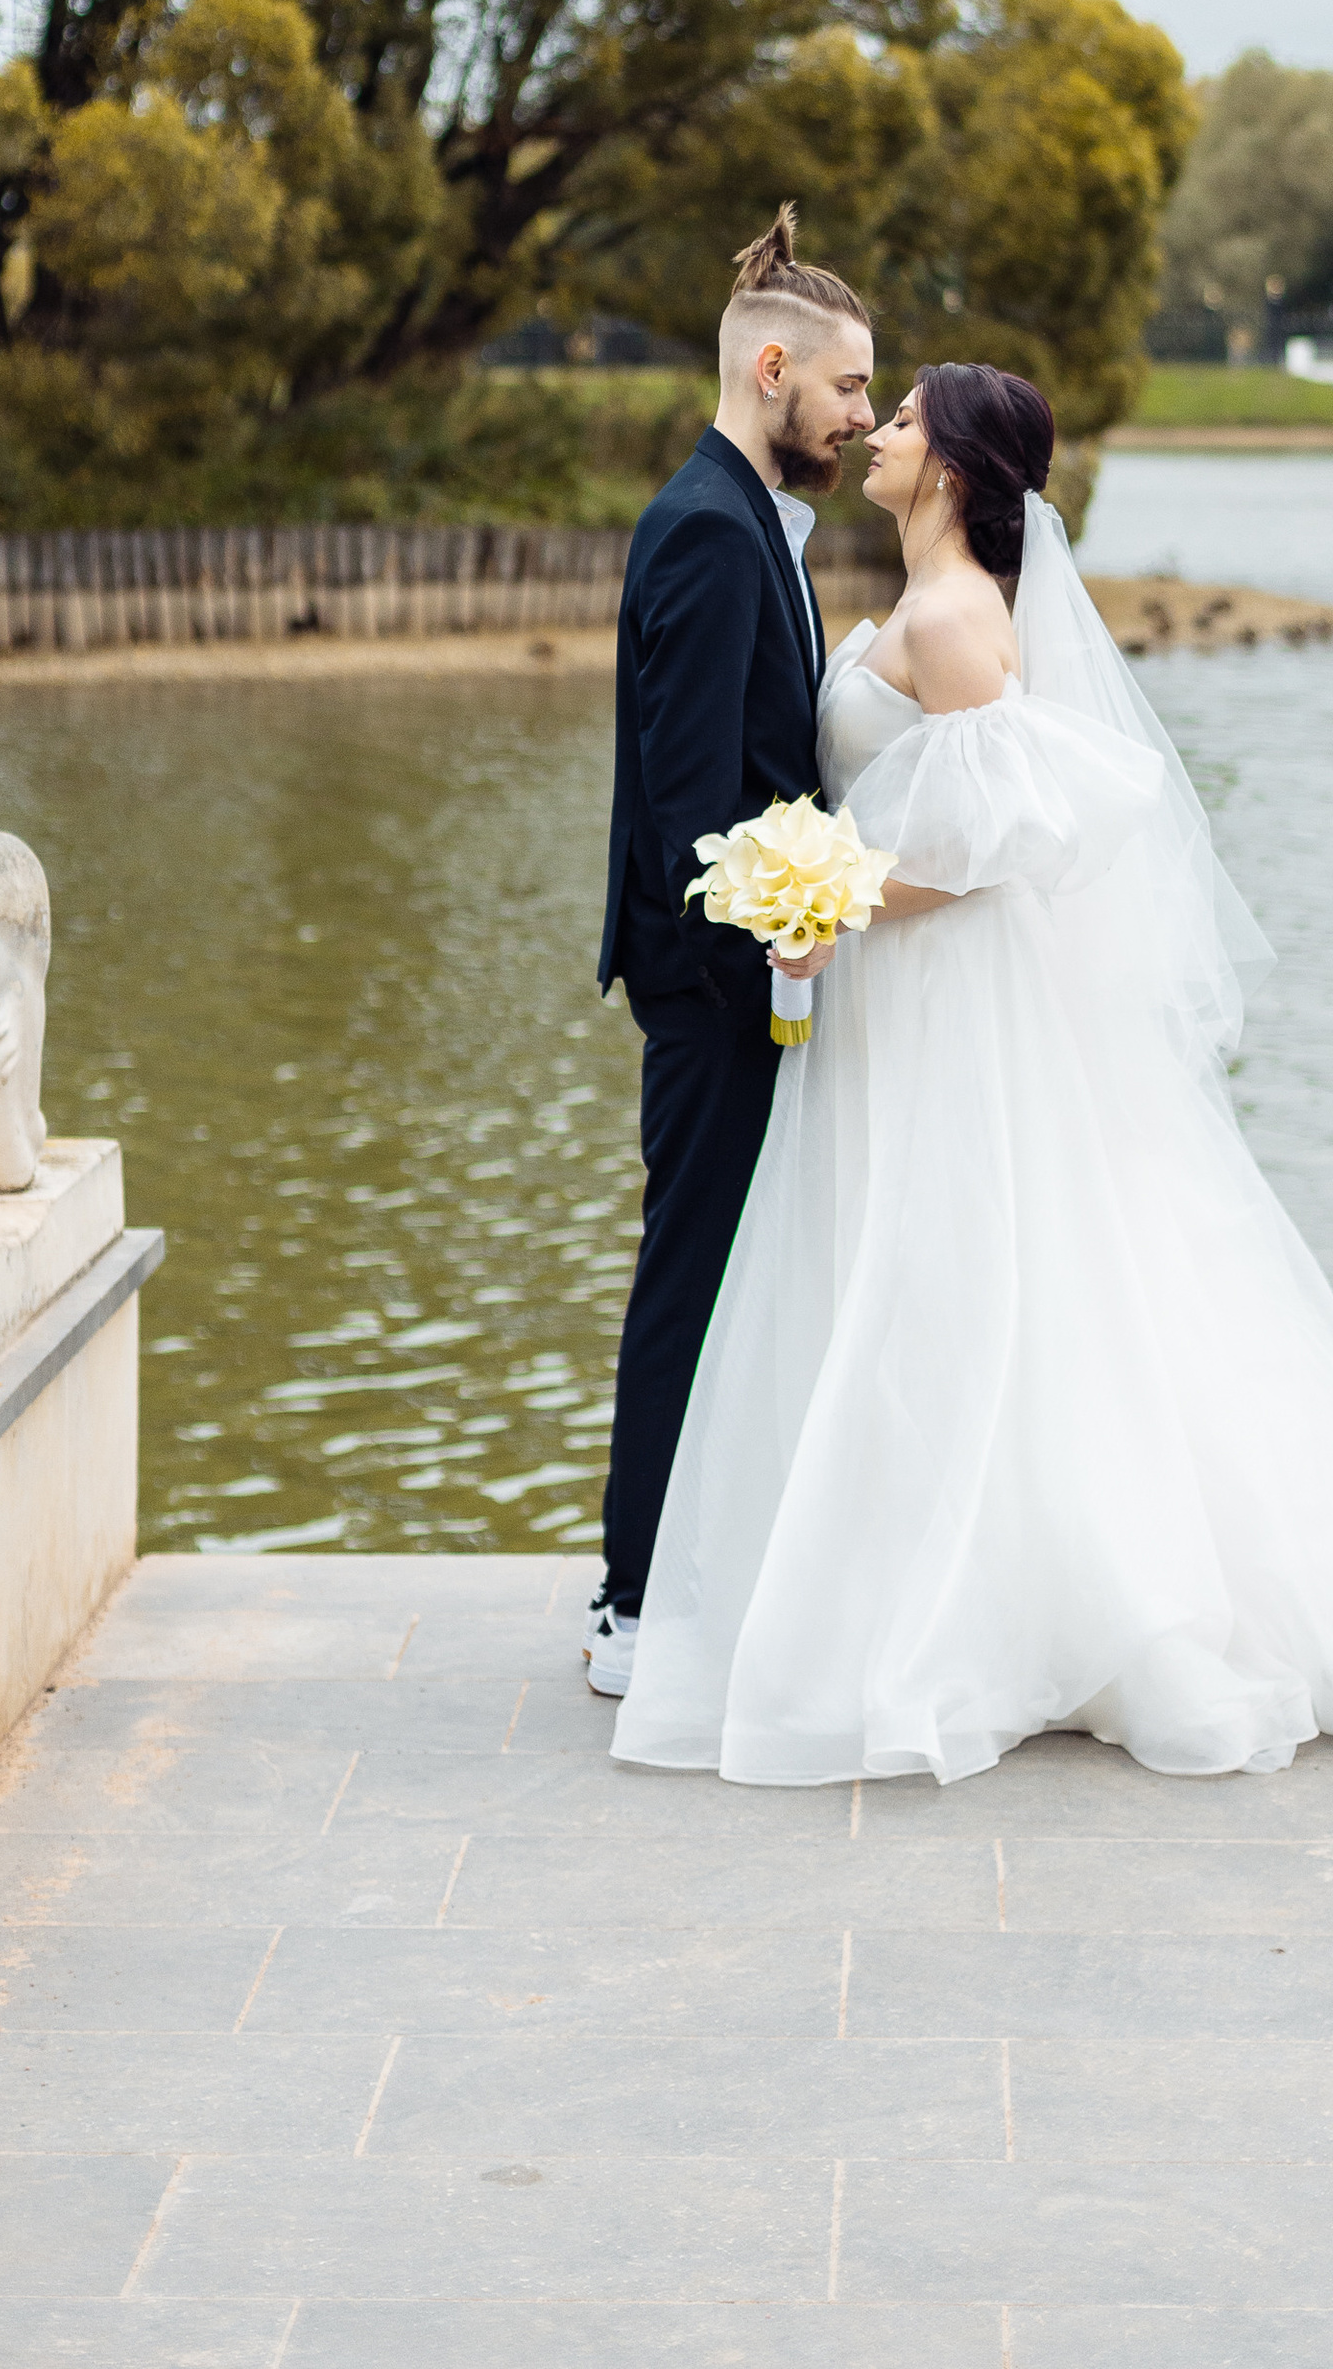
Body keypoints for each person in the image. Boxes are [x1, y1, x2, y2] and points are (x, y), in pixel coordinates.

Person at [613, 361, 1333, 1781]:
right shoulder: (939, 605)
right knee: (928, 1291)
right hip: (897, 1006)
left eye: (899, 421)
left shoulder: (952, 621)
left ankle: (1020, 1608)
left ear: (945, 466)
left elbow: (981, 853)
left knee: (962, 1283)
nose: (875, 435)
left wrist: (815, 894)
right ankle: (943, 1579)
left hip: (942, 1003)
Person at [586, 212, 877, 1692]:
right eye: (846, 391)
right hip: (709, 990)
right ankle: (632, 1607)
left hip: (743, 977)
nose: (862, 418)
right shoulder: (706, 526)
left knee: (725, 1276)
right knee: (690, 1281)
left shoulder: (747, 513)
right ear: (773, 369)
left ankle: (686, 1573)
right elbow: (693, 817)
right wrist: (795, 928)